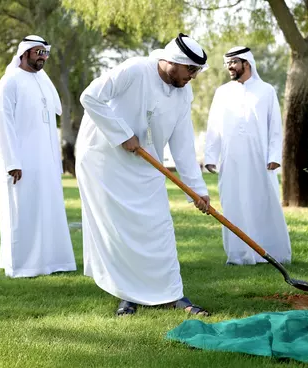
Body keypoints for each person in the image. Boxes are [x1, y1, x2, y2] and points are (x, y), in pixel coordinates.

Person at [75, 33, 211, 316]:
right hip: (104, 160)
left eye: (197, 71)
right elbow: (89, 97)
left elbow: (182, 142)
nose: (194, 77)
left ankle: (174, 295)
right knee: (121, 232)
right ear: (174, 62)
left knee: (158, 227)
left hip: (146, 163)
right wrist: (122, 134)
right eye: (191, 70)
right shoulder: (135, 69)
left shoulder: (184, 92)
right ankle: (128, 297)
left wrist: (196, 189)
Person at [0, 35, 77, 278]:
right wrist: (12, 162)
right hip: (22, 161)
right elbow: (4, 125)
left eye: (45, 53)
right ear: (25, 53)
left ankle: (52, 262)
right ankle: (24, 266)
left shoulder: (42, 79)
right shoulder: (9, 82)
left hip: (47, 161)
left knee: (49, 211)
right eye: (38, 52)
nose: (43, 57)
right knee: (23, 213)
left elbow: (56, 109)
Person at [204, 46, 291, 266]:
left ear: (247, 63)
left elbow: (275, 127)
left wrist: (274, 155)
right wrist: (211, 157)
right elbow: (214, 126)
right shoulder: (222, 92)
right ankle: (239, 255)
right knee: (233, 204)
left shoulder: (266, 91)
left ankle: (273, 253)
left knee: (264, 203)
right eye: (227, 64)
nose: (229, 67)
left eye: (233, 62)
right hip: (231, 160)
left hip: (260, 160)